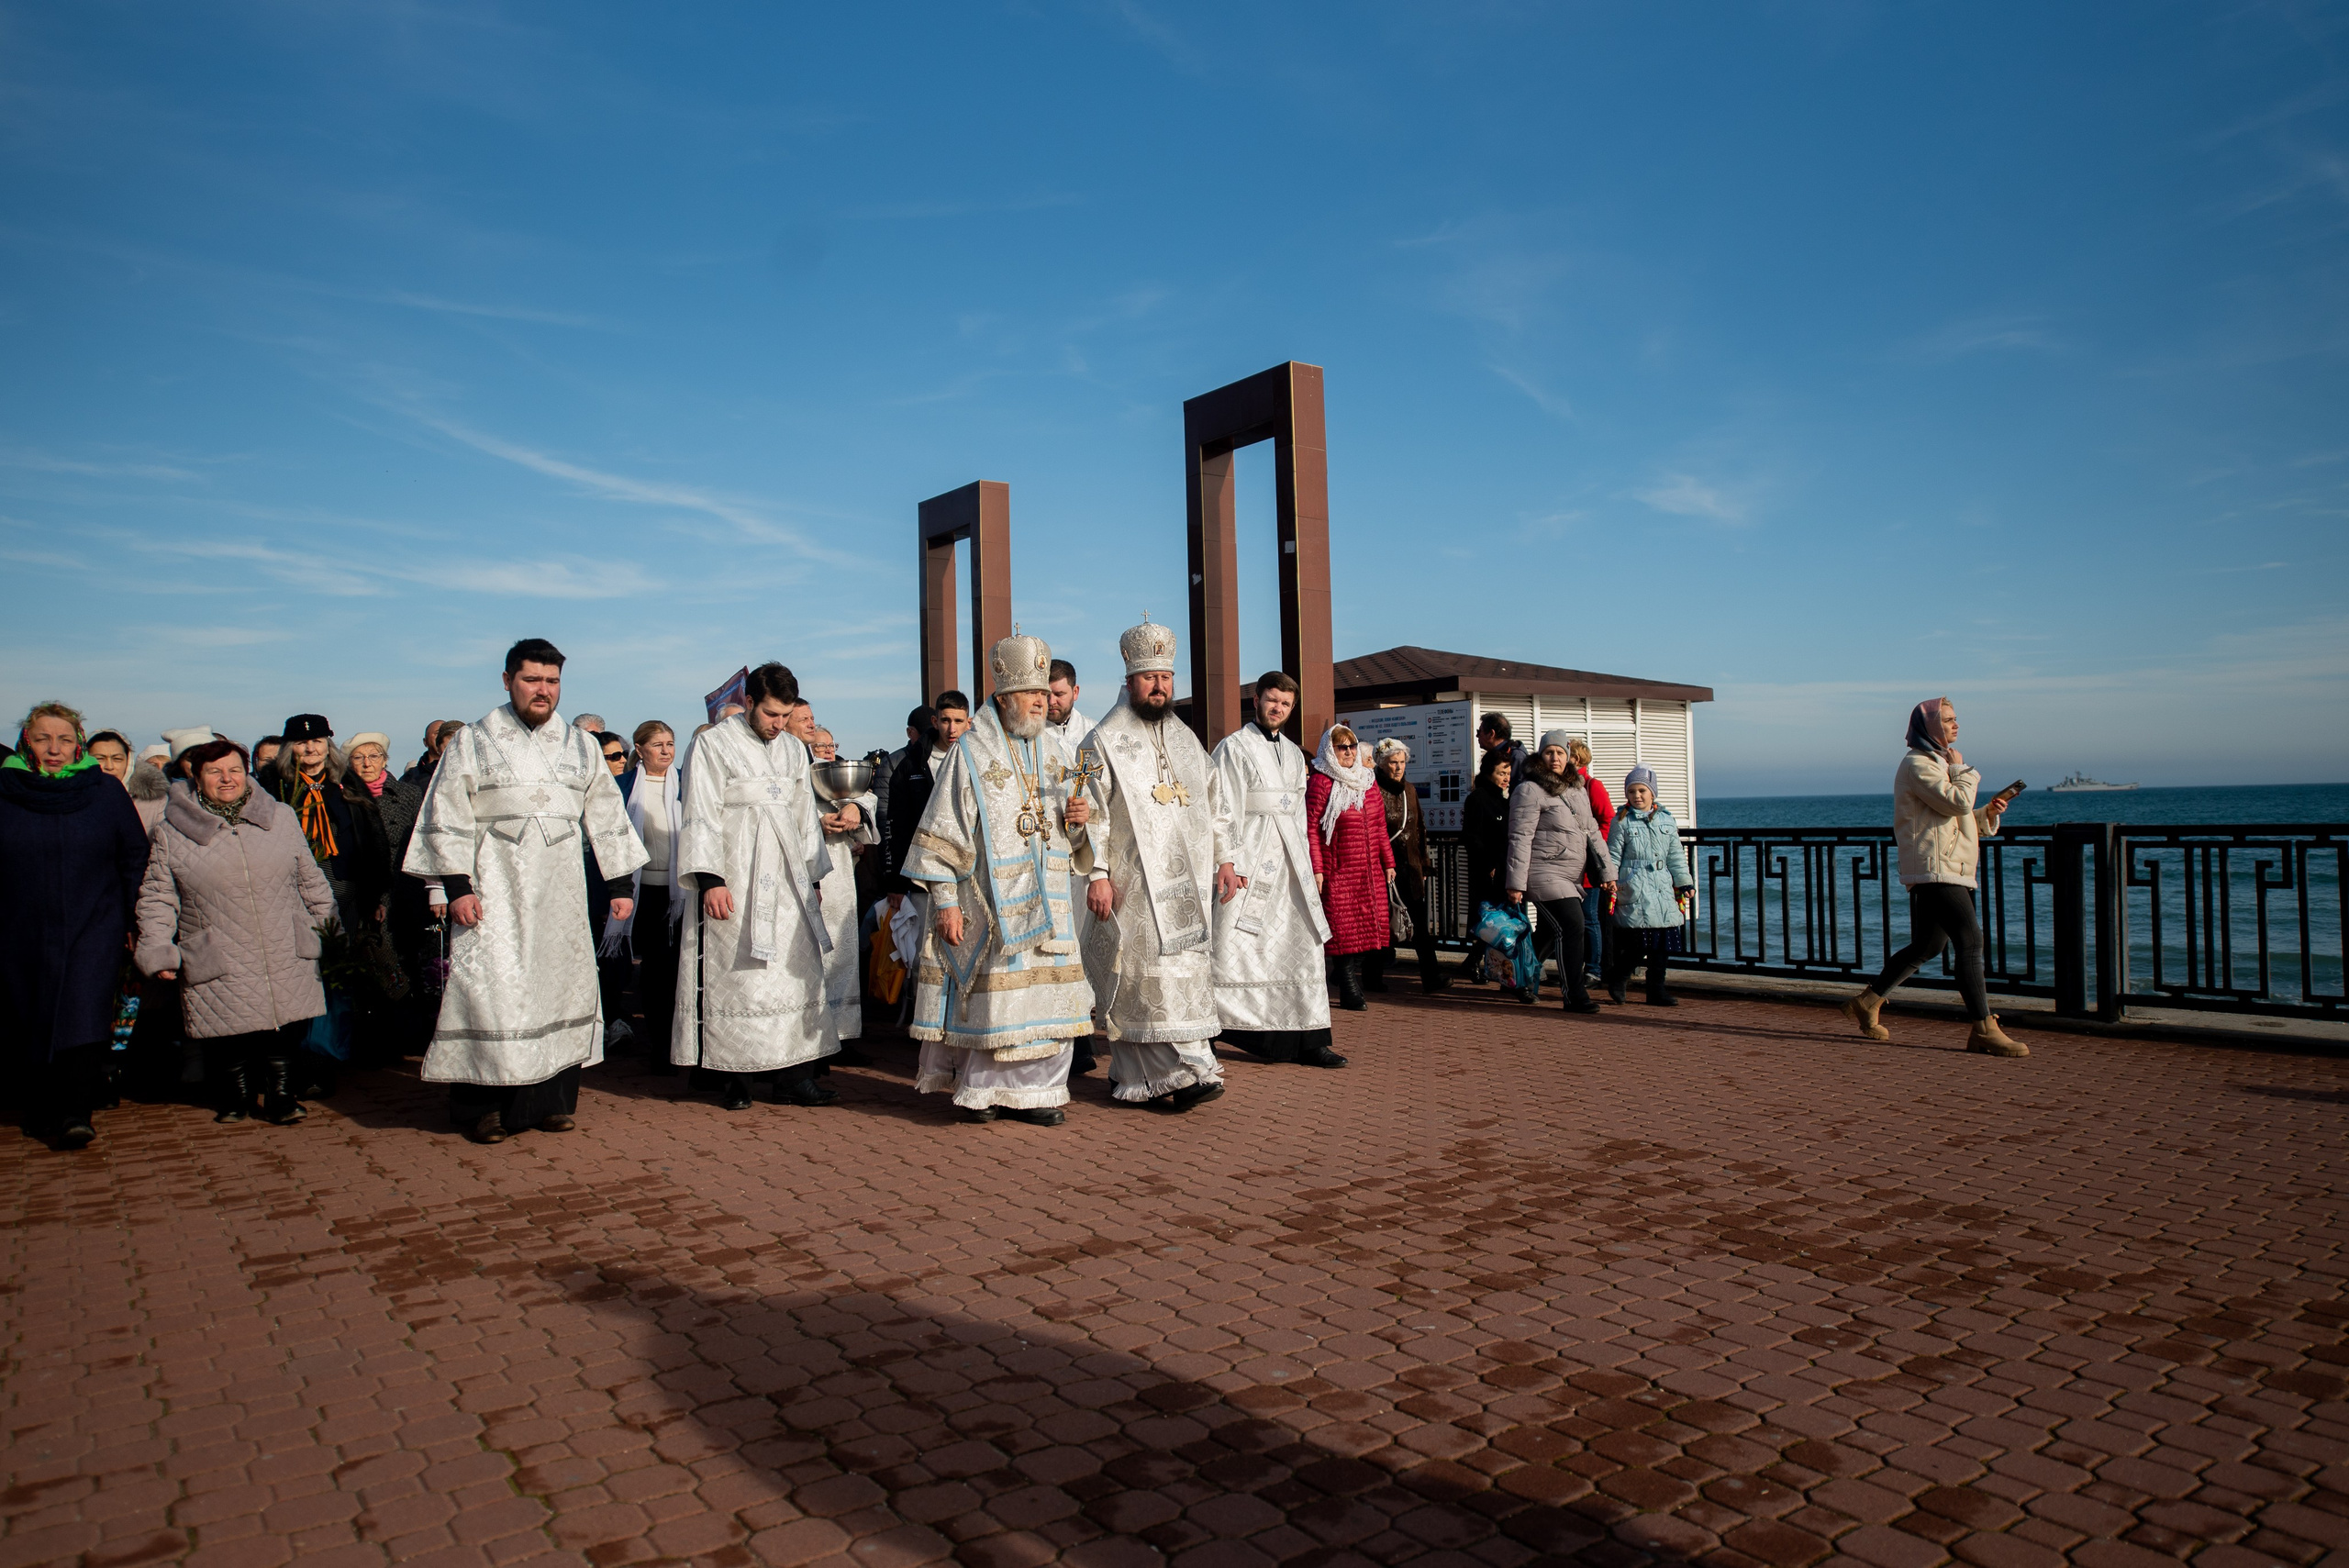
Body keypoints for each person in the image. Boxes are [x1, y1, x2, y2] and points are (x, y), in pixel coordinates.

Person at [403, 639, 647, 1143]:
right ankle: (482, 1109)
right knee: (493, 993)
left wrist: (620, 882)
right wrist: (456, 886)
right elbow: (447, 814)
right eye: (532, 680)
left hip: (560, 892)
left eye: (552, 681)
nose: (543, 691)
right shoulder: (473, 740)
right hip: (494, 889)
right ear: (508, 680)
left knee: (558, 988)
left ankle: (549, 1101)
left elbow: (605, 813)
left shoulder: (580, 745)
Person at [901, 633, 1096, 1125]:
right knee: (995, 1006)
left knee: (1047, 1000)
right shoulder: (970, 753)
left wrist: (1077, 822)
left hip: (1051, 904)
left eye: (1045, 694)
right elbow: (943, 833)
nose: (1042, 702)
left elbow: (1069, 839)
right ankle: (983, 1092)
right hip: (991, 903)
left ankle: (1041, 1093)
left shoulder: (1056, 753)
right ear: (1005, 697)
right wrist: (945, 902)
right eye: (1032, 694)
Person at [135, 740, 337, 1124]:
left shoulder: (279, 817)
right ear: (196, 777)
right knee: (227, 1028)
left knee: (286, 1025)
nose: (226, 779)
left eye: (234, 770)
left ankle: (281, 1095)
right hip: (215, 943)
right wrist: (159, 948)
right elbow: (159, 896)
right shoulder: (172, 829)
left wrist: (328, 926)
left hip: (282, 940)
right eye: (214, 772)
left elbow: (311, 879)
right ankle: (235, 1095)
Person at [1074, 618, 1227, 1112]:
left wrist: (1225, 858)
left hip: (1185, 886)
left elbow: (1215, 801)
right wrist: (1097, 873)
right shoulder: (1101, 740)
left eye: (1166, 677)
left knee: (1181, 976)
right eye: (1149, 678)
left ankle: (1155, 1072)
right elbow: (1087, 809)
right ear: (1129, 679)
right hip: (1131, 885)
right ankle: (1166, 1074)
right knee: (1139, 979)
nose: (1159, 687)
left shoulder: (1186, 739)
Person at [671, 662, 839, 1111]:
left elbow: (804, 817)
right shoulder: (712, 744)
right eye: (770, 715)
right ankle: (733, 1078)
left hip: (787, 884)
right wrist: (710, 880)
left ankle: (793, 1076)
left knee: (789, 973)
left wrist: (813, 878)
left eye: (785, 716)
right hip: (735, 878)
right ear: (748, 702)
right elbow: (699, 813)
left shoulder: (791, 751)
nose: (778, 726)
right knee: (737, 975)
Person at [0, 702, 150, 1149]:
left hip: (94, 922)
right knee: (28, 1013)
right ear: (27, 741)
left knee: (83, 1012)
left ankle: (76, 1112)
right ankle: (41, 1106)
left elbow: (134, 857)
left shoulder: (104, 792)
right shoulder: (6, 788)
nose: (54, 748)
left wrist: (132, 918)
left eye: (64, 739)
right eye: (43, 738)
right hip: (18, 925)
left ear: (78, 743)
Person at [1842, 699, 2026, 1057]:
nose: (1956, 725)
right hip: (1934, 868)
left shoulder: (1937, 764)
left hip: (1947, 866)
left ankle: (1868, 1001)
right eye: (1947, 720)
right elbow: (1955, 803)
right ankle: (1984, 1029)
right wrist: (1964, 770)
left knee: (1928, 946)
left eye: (1956, 719)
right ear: (1928, 726)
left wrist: (1986, 812)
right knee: (1970, 941)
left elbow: (1950, 815)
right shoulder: (1917, 764)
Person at [1208, 672, 1343, 1067]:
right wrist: (1227, 861)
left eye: (1285, 704)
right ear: (1256, 699)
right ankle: (1213, 1032)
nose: (1278, 709)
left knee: (1300, 946)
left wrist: (1311, 864)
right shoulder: (1233, 747)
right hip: (1249, 859)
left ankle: (1309, 1039)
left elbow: (1300, 814)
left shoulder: (1293, 752)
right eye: (1272, 700)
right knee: (1234, 945)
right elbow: (1222, 808)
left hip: (1291, 864)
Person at [1504, 730, 1615, 1014]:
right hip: (1543, 871)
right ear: (1541, 755)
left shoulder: (1577, 790)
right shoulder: (1528, 789)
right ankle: (1574, 995)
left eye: (1560, 753)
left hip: (1572, 874)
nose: (1555, 758)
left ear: (1569, 757)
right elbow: (1520, 837)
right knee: (1572, 925)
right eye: (1549, 752)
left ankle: (1519, 977)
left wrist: (1607, 874)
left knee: (1551, 933)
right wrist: (1515, 883)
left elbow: (1592, 833)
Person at [604, 721, 682, 1070]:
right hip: (644, 891)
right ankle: (661, 1046)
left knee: (683, 969)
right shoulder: (622, 787)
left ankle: (687, 1045)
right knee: (656, 971)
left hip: (683, 890)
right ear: (639, 748)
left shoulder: (688, 784)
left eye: (670, 744)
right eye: (657, 745)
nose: (666, 751)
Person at [1305, 725, 1393, 1012]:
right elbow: (1311, 830)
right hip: (1338, 868)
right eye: (1342, 747)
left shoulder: (1368, 780)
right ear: (1330, 750)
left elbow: (1380, 825)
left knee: (1368, 931)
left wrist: (1388, 862)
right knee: (1343, 932)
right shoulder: (1321, 782)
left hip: (1368, 870)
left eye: (1352, 746)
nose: (1348, 752)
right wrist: (1316, 868)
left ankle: (1346, 979)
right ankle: (1348, 987)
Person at [1040, 659, 1098, 1073]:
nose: (1051, 702)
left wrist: (1089, 811)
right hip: (1046, 855)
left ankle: (1082, 1040)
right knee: (1056, 948)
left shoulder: (1095, 735)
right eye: (1045, 694)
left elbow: (1108, 793)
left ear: (1075, 692)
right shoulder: (1029, 735)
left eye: (1059, 694)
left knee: (1084, 947)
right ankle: (1059, 1041)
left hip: (1085, 859)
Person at [807, 724, 876, 1060]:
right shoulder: (799, 774)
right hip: (811, 874)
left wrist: (856, 809)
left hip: (840, 874)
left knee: (844, 953)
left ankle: (844, 1035)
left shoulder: (841, 777)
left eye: (831, 745)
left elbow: (869, 796)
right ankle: (815, 1038)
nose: (828, 752)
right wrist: (815, 825)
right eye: (820, 746)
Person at [1604, 766, 1694, 1006]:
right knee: (1639, 941)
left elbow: (1675, 855)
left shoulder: (1666, 819)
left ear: (1652, 793)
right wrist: (1611, 879)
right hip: (1635, 885)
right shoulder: (1621, 821)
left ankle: (1656, 989)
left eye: (1642, 790)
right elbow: (1613, 854)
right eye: (1632, 791)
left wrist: (1685, 883)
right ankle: (1619, 977)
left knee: (1662, 942)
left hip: (1662, 886)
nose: (1637, 796)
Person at [1369, 737, 1449, 995]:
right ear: (1381, 763)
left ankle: (1431, 976)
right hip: (1385, 868)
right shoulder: (1371, 789)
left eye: (1402, 762)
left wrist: (1424, 865)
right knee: (1383, 923)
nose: (1399, 767)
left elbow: (1420, 829)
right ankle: (1373, 976)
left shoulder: (1410, 790)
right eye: (1393, 762)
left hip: (1411, 868)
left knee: (1419, 928)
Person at [1457, 749, 1514, 985]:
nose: (1506, 777)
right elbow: (1472, 836)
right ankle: (1477, 964)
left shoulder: (1505, 798)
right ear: (1490, 772)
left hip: (1505, 869)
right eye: (1501, 772)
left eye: (1509, 773)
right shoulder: (1478, 799)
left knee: (1501, 922)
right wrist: (1487, 863)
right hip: (1486, 871)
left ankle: (1479, 964)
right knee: (1488, 921)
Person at [885, 699, 958, 881]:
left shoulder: (976, 761)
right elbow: (895, 824)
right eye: (945, 721)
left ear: (969, 722)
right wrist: (896, 881)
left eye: (958, 721)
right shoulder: (905, 765)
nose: (951, 729)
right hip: (921, 871)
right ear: (935, 722)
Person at [1570, 740, 1615, 984]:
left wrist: (1595, 848)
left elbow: (1607, 819)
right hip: (1568, 865)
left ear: (1575, 759)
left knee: (1589, 917)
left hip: (1587, 865)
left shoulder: (1592, 785)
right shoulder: (1561, 786)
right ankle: (1576, 966)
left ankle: (1594, 969)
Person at [88, 730, 167, 835]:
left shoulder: (154, 801)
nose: (109, 766)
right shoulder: (70, 797)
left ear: (128, 761)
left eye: (117, 759)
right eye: (100, 759)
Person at [1478, 713, 1529, 782]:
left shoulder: (1517, 756)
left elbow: (1518, 790)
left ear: (1491, 734)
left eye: (1479, 732)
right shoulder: (1492, 755)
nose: (1477, 735)